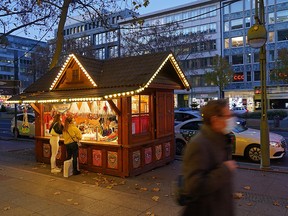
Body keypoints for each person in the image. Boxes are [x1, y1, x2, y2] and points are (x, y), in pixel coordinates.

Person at [181, 99, 238, 216]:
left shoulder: (221, 139)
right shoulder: (199, 145)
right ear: (215, 120)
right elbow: (194, 186)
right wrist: (225, 170)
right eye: (228, 116)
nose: (232, 119)